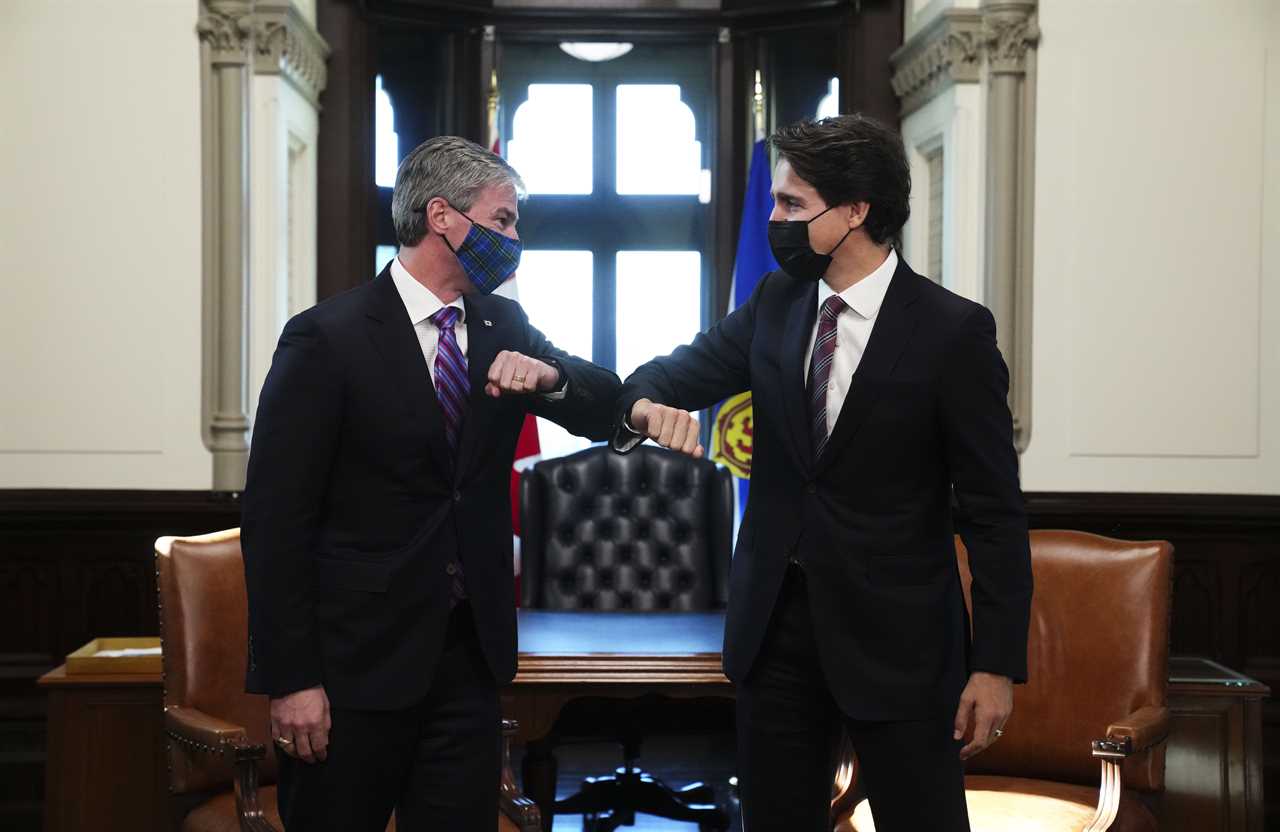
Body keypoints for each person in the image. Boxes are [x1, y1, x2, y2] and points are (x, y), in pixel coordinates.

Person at [613, 114, 1033, 831]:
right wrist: (643, 405)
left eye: (791, 205)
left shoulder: (951, 332)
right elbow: (673, 372)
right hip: (775, 629)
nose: (773, 220)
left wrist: (994, 665)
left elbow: (993, 511)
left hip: (899, 644)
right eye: (775, 201)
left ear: (856, 211)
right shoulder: (775, 303)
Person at [241, 136, 620, 830]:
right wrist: (292, 679)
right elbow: (275, 523)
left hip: (466, 662)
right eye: (503, 220)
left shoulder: (502, 322)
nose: (514, 239)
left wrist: (554, 377)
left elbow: (603, 405)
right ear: (442, 216)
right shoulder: (327, 338)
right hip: (353, 669)